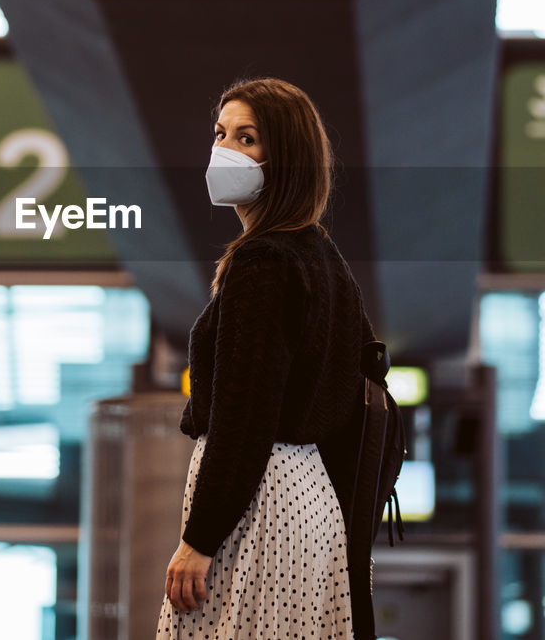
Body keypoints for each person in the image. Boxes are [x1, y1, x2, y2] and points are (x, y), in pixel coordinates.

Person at [154, 76, 380, 640]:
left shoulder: (264, 261)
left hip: (258, 505)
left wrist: (199, 539)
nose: (224, 149)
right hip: (312, 503)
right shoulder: (323, 258)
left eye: (248, 138)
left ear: (287, 159)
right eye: (221, 133)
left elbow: (245, 413)